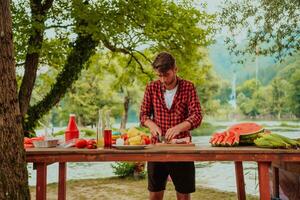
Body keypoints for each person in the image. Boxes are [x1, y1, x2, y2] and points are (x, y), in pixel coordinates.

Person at [140, 52, 202, 200]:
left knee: (183, 196)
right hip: (157, 149)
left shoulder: (188, 87)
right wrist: (151, 124)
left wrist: (178, 128)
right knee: (154, 195)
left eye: (166, 75)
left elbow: (197, 116)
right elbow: (143, 115)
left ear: (175, 69)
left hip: (182, 149)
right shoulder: (151, 88)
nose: (162, 79)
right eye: (159, 75)